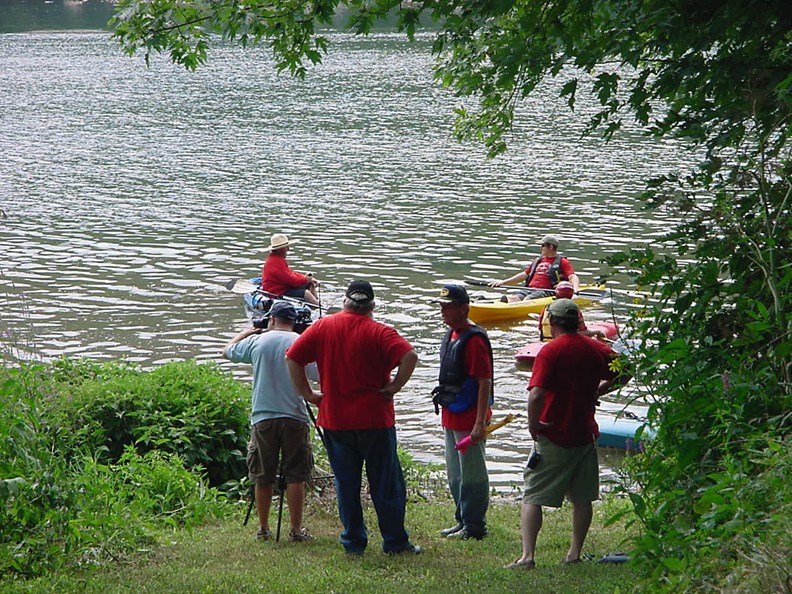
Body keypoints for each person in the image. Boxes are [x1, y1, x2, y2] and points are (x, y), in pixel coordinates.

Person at [285, 280, 422, 556]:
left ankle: (353, 542)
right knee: (385, 482)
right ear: (371, 306)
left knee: (346, 483)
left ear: (345, 301)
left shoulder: (324, 326)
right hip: (375, 419)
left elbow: (292, 357)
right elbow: (410, 355)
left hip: (336, 420)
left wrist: (309, 393)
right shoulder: (380, 332)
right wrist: (394, 387)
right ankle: (395, 542)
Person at [506, 298, 630, 570]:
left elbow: (536, 394)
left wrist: (533, 424)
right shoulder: (596, 348)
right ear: (578, 322)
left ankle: (527, 556)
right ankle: (574, 553)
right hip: (584, 431)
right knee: (583, 497)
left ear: (552, 322)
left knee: (533, 495)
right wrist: (600, 390)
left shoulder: (550, 352)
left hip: (554, 432)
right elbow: (626, 371)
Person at [222, 301, 319, 543]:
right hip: (294, 415)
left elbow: (227, 351)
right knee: (296, 474)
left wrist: (249, 330)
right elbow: (319, 374)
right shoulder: (301, 342)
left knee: (263, 475)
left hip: (263, 416)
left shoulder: (257, 342)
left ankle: (263, 529)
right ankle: (296, 530)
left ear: (271, 319)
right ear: (294, 321)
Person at [432, 284, 493, 541]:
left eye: (449, 307)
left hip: (469, 418)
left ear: (464, 307)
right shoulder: (451, 335)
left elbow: (484, 382)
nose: (444, 312)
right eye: (442, 307)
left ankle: (475, 525)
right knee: (455, 474)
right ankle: (462, 519)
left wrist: (479, 423)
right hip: (451, 414)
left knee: (472, 473)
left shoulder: (474, 340)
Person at [489, 235, 580, 302]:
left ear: (551, 246)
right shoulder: (538, 261)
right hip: (529, 289)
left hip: (546, 291)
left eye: (543, 245)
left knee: (527, 300)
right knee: (513, 298)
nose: (541, 248)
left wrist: (575, 291)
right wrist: (503, 282)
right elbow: (524, 275)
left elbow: (573, 277)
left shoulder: (563, 262)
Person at [261, 233, 320, 305]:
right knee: (306, 293)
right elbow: (291, 280)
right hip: (277, 292)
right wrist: (305, 279)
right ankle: (319, 308)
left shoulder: (278, 259)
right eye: (286, 247)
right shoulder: (275, 262)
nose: (288, 249)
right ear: (280, 250)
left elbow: (290, 273)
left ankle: (314, 304)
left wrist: (307, 278)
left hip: (283, 287)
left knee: (311, 283)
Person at [537, 281, 606, 341]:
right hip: (564, 344)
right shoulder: (573, 310)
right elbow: (580, 333)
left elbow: (540, 328)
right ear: (571, 294)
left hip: (545, 342)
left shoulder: (546, 308)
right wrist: (597, 332)